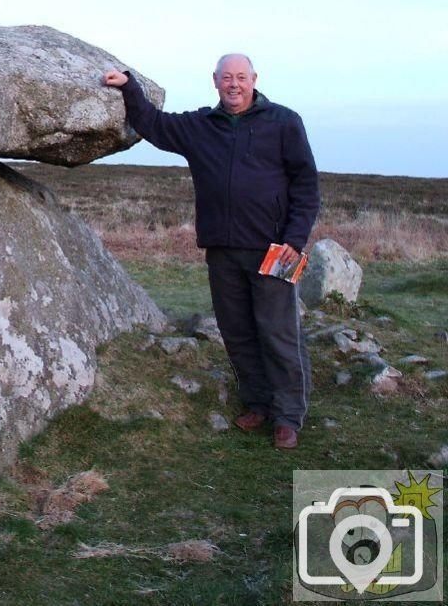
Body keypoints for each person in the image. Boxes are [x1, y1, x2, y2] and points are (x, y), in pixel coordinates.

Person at [102, 54, 320, 449]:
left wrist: (295, 238)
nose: (233, 84)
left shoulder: (284, 122)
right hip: (222, 249)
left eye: (240, 77)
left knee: (278, 332)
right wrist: (129, 86)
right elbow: (153, 124)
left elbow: (306, 183)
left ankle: (289, 416)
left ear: (254, 79)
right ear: (215, 82)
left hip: (274, 249)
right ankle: (258, 403)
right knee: (237, 332)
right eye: (226, 78)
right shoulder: (200, 126)